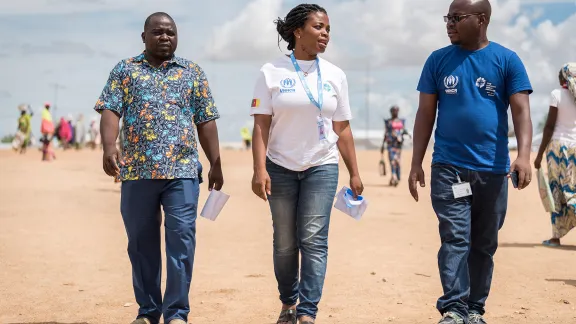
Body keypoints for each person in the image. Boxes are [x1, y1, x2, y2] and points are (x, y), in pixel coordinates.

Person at [408, 1, 533, 323]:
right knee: (455, 237)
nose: (448, 23)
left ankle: (475, 309)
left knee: (484, 244)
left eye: (456, 18)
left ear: (481, 20)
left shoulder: (507, 60)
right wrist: (416, 162)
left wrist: (523, 156)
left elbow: (521, 111)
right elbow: (425, 114)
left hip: (492, 170)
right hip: (448, 166)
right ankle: (453, 308)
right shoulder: (438, 60)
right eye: (447, 17)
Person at [94, 12, 223, 324]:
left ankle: (177, 313)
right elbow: (110, 109)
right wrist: (109, 146)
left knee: (181, 241)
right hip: (137, 171)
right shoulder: (125, 70)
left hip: (182, 173)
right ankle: (148, 311)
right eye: (158, 32)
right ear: (144, 37)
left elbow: (205, 120)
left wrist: (216, 163)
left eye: (171, 33)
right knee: (140, 242)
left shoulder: (192, 73)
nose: (165, 37)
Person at [250, 4, 363, 324]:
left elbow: (341, 127)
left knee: (313, 238)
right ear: (298, 31)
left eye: (328, 28)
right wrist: (259, 170)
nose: (325, 33)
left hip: (321, 165)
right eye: (318, 27)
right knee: (285, 241)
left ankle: (307, 312)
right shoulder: (271, 71)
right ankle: (288, 303)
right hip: (279, 166)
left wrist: (354, 171)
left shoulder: (336, 75)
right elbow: (261, 125)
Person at [534, 63, 576, 247]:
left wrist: (539, 155)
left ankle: (555, 237)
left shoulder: (556, 94)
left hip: (557, 150)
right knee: (573, 190)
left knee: (557, 191)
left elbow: (550, 126)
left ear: (563, 78)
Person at [381, 105, 410, 186]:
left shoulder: (401, 121)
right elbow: (386, 133)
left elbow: (403, 130)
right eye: (393, 110)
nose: (395, 112)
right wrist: (382, 146)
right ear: (391, 112)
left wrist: (407, 134)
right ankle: (394, 176)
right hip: (390, 144)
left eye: (396, 110)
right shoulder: (388, 122)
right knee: (392, 160)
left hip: (398, 145)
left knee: (397, 161)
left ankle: (396, 176)